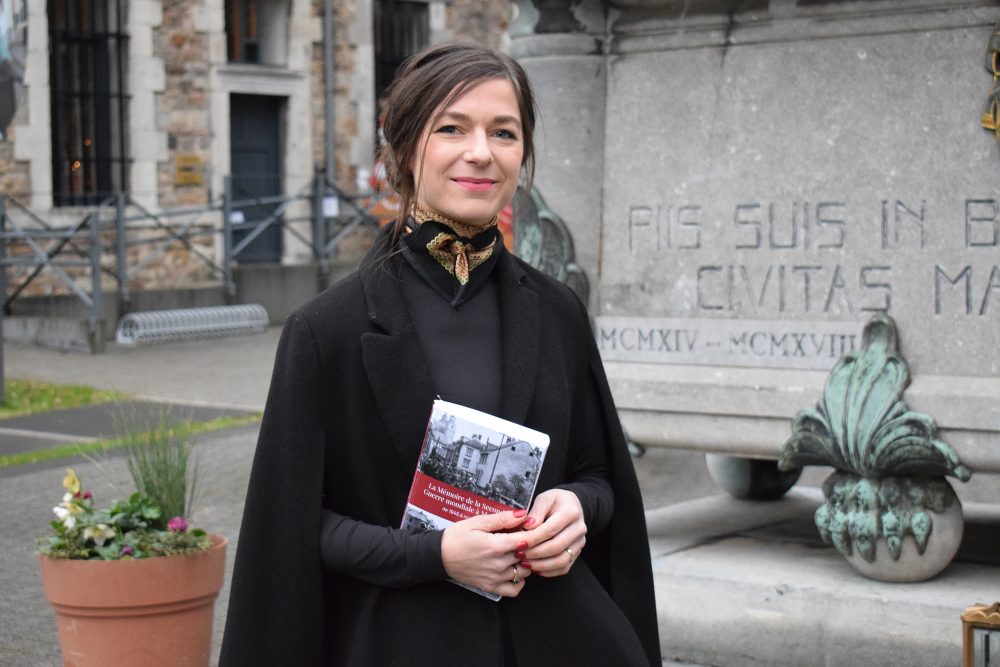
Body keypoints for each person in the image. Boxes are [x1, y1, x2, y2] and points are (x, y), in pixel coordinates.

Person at [220, 42, 660, 666]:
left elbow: (600, 473)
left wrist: (578, 509)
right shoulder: (327, 330)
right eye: (451, 128)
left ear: (523, 155)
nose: (480, 152)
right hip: (402, 640)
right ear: (401, 149)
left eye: (503, 132)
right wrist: (436, 555)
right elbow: (290, 526)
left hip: (557, 636)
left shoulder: (559, 311)